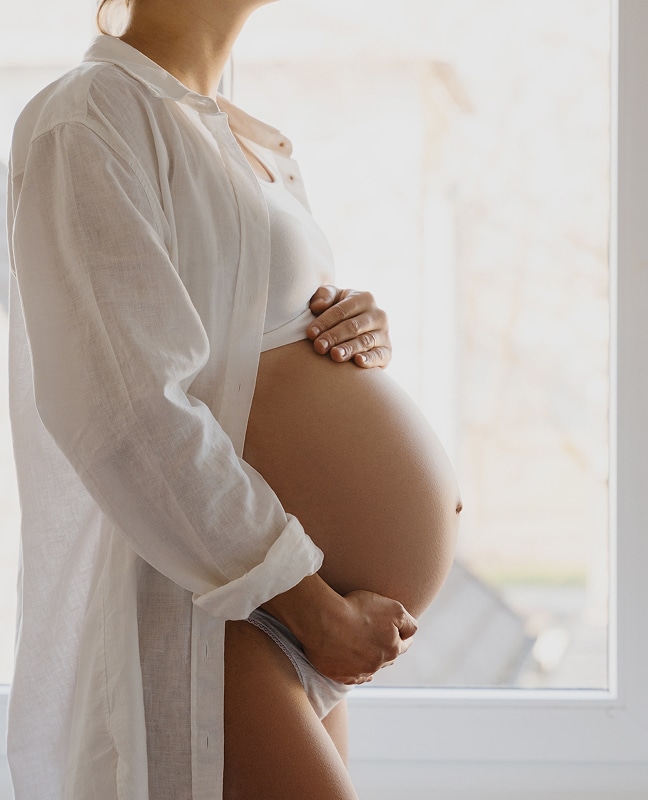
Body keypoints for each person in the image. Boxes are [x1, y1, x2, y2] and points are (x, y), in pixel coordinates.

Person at [6, 0, 461, 798]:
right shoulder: (89, 116)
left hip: (290, 613)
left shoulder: (240, 134)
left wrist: (359, 337)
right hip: (231, 615)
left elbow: (253, 350)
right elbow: (125, 415)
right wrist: (311, 607)